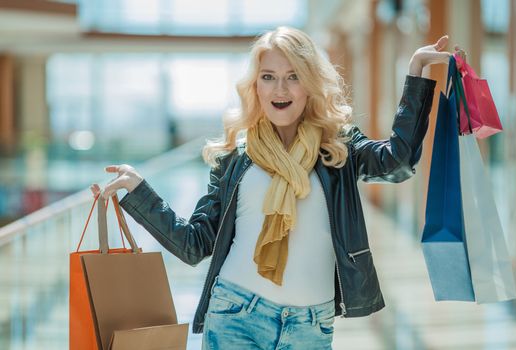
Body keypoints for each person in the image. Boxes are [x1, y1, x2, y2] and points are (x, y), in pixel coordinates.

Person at [90, 26, 466, 349]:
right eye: (268, 76)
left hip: (310, 327)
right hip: (236, 314)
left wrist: (416, 73)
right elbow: (194, 245)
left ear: (310, 84)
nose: (280, 88)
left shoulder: (338, 148)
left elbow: (398, 162)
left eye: (293, 75)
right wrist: (140, 192)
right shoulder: (235, 157)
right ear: (255, 85)